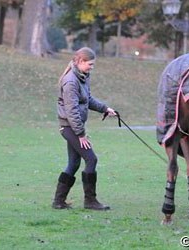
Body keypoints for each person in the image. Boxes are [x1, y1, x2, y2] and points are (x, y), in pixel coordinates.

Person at [52, 47, 116, 210]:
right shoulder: (71, 81)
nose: (91, 67)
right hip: (69, 127)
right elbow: (71, 110)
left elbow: (87, 99)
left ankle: (58, 202)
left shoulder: (82, 76)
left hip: (74, 127)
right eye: (90, 64)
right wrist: (81, 134)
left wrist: (105, 109)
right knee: (91, 159)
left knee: (73, 163)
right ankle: (90, 201)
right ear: (80, 61)